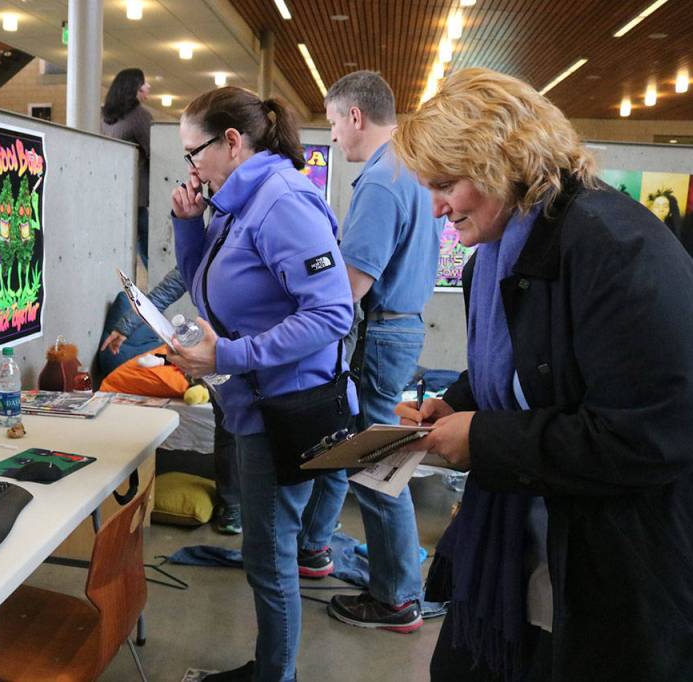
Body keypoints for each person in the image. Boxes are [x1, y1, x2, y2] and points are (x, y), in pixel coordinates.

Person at [391, 67, 693, 681]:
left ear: (498, 161)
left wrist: (481, 438)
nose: (436, 208)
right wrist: (454, 403)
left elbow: (656, 435)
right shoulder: (498, 256)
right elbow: (533, 369)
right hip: (522, 557)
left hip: (617, 572)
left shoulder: (611, 246)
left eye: (445, 184)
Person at [167, 86, 356, 682]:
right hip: (255, 401)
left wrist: (229, 352)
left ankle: (276, 676)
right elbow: (207, 289)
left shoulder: (281, 203)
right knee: (264, 555)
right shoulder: (237, 201)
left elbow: (331, 315)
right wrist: (187, 224)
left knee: (270, 560)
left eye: (194, 153)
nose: (191, 169)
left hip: (285, 410)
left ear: (232, 141)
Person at [295, 70, 444, 633]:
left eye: (333, 122)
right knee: (351, 443)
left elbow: (351, 285)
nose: (333, 136)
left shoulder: (381, 180)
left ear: (355, 117)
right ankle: (313, 547)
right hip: (398, 328)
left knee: (378, 464)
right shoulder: (410, 169)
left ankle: (397, 597)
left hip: (379, 332)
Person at [100, 268, 243, 534]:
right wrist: (125, 326)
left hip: (261, 349)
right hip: (218, 352)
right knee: (228, 427)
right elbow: (168, 289)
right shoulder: (208, 240)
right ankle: (231, 505)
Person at [101, 68, 153, 269]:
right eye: (144, 82)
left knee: (118, 250)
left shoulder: (104, 117)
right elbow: (154, 153)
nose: (148, 86)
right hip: (136, 197)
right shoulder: (140, 116)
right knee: (149, 254)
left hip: (112, 192)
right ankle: (156, 297)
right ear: (135, 88)